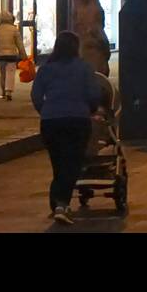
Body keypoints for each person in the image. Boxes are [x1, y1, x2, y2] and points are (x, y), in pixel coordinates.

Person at [30, 31, 103, 225]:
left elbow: (36, 96)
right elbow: (94, 93)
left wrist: (46, 110)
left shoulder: (46, 69)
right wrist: (91, 108)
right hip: (77, 120)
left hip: (51, 122)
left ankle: (57, 204)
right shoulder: (84, 68)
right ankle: (61, 203)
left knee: (58, 162)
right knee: (72, 162)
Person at [0, 11, 26, 100]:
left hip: (0, 55)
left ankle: (3, 92)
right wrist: (23, 55)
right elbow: (19, 44)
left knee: (2, 74)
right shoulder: (14, 29)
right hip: (11, 55)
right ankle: (8, 92)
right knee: (10, 73)